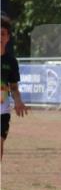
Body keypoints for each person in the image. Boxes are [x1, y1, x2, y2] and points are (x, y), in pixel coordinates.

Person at [1, 16, 28, 158]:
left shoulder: (11, 62)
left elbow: (14, 88)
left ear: (7, 37)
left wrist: (18, 101)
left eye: (2, 34)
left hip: (2, 110)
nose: (0, 37)